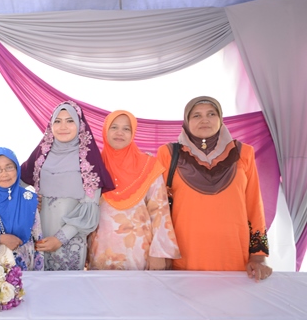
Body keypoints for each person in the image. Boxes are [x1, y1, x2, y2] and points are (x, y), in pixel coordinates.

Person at [156, 96, 272, 281]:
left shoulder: (243, 153)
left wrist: (259, 256)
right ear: (186, 121)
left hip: (234, 256)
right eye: (196, 115)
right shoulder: (169, 154)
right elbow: (158, 208)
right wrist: (160, 254)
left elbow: (254, 206)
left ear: (220, 119)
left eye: (211, 114)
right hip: (184, 259)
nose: (205, 120)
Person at [20, 101, 114, 270]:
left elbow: (90, 208)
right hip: (39, 238)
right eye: (57, 121)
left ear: (79, 124)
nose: (63, 126)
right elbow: (13, 182)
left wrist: (59, 239)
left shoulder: (89, 159)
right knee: (38, 283)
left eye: (70, 120)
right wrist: (28, 199)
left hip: (70, 241)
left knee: (68, 285)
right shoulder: (42, 154)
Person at [88, 110, 180, 270]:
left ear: (133, 133)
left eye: (126, 128)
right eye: (114, 127)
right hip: (101, 253)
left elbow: (160, 212)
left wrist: (158, 253)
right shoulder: (92, 167)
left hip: (139, 252)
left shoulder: (148, 166)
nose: (119, 133)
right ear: (105, 130)